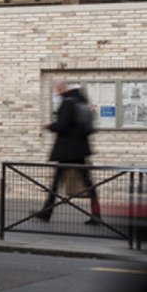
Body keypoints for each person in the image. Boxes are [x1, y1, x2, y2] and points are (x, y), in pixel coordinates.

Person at [35, 81, 106, 223]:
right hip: (80, 149)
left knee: (56, 183)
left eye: (57, 89)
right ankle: (96, 215)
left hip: (68, 150)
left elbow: (63, 125)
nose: (56, 92)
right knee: (88, 183)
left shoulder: (67, 102)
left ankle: (46, 213)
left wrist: (50, 126)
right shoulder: (81, 100)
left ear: (62, 88)